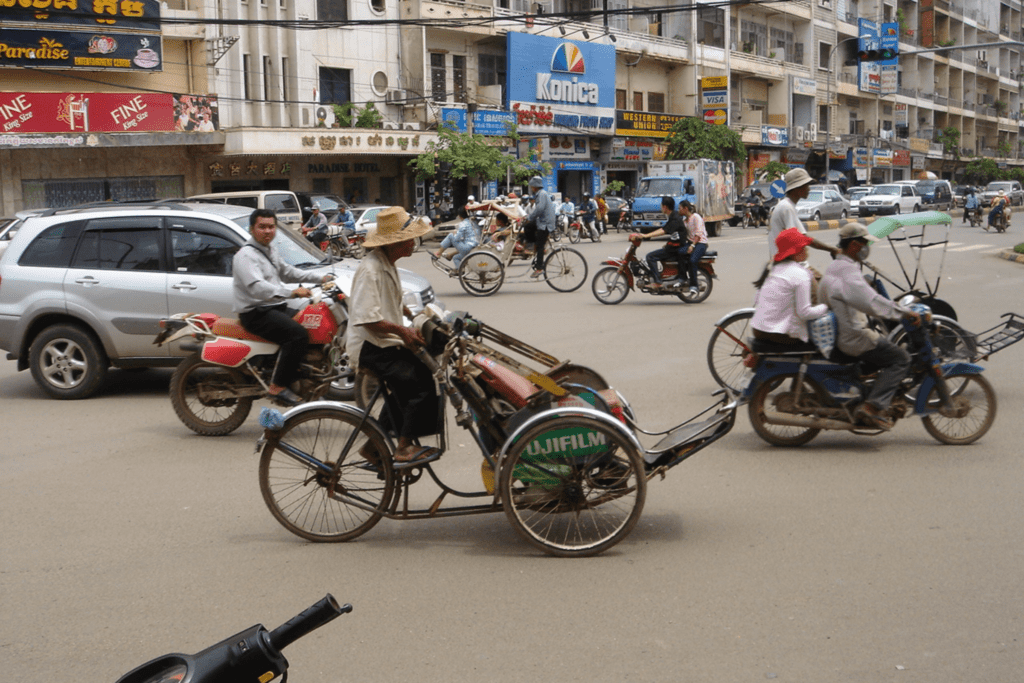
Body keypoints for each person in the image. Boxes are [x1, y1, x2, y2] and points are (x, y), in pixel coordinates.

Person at [347, 206, 441, 466]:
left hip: (380, 341)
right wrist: (403, 331)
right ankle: (403, 447)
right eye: (409, 239)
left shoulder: (386, 263)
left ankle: (372, 447)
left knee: (412, 378)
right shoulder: (372, 269)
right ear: (396, 242)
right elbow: (368, 318)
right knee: (419, 382)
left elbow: (387, 299)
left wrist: (409, 314)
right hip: (369, 345)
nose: (413, 243)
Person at [819, 223, 920, 430]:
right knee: (901, 359)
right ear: (855, 246)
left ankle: (869, 395)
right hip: (855, 337)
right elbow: (871, 302)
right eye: (865, 244)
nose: (867, 249)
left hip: (846, 332)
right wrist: (904, 314)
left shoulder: (835, 267)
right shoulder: (847, 272)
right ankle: (873, 407)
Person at [233, 209, 333, 406]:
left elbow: (288, 272)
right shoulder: (245, 256)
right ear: (252, 229)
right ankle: (277, 387)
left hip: (274, 307)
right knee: (297, 335)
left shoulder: (270, 250)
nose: (267, 231)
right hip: (256, 313)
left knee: (312, 325)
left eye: (271, 226)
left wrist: (321, 278)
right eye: (262, 227)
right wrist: (292, 293)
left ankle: (303, 381)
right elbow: (258, 288)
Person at [751, 228, 830, 348]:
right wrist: (826, 307)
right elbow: (805, 313)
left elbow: (756, 299)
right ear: (796, 251)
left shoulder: (772, 268)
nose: (807, 250)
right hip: (781, 335)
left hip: (757, 330)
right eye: (804, 247)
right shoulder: (800, 273)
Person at [768, 168, 840, 262]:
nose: (809, 189)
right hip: (787, 263)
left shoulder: (787, 206)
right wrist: (832, 249)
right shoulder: (787, 207)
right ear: (798, 188)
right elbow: (801, 239)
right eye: (806, 185)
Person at [639, 196, 687, 289]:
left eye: (661, 206)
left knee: (650, 256)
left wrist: (645, 235)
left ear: (665, 207)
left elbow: (663, 230)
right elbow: (672, 232)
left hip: (676, 248)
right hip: (674, 245)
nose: (661, 207)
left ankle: (658, 282)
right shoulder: (673, 215)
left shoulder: (675, 218)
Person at [525, 176, 555, 279]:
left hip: (545, 223)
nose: (531, 188)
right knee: (529, 227)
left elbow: (540, 208)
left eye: (532, 186)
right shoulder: (540, 194)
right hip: (542, 221)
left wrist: (530, 217)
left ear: (535, 186)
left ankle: (539, 268)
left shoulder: (541, 194)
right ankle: (533, 245)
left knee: (540, 245)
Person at [677, 200, 709, 297]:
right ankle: (682, 278)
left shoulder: (696, 217)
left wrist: (692, 245)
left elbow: (699, 233)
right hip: (691, 242)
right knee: (679, 252)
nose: (678, 210)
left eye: (680, 208)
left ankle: (694, 285)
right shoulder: (685, 221)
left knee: (692, 260)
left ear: (685, 208)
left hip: (700, 243)